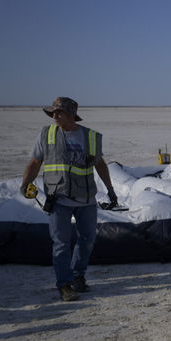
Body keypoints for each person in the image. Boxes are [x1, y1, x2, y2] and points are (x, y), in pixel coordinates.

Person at [19, 97, 118, 301]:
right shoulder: (47, 134)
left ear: (72, 115)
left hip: (86, 198)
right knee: (61, 243)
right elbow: (35, 162)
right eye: (53, 113)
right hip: (59, 198)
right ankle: (64, 285)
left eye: (59, 113)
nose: (55, 116)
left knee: (88, 239)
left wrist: (110, 188)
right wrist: (25, 183)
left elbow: (100, 164)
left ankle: (78, 276)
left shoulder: (89, 136)